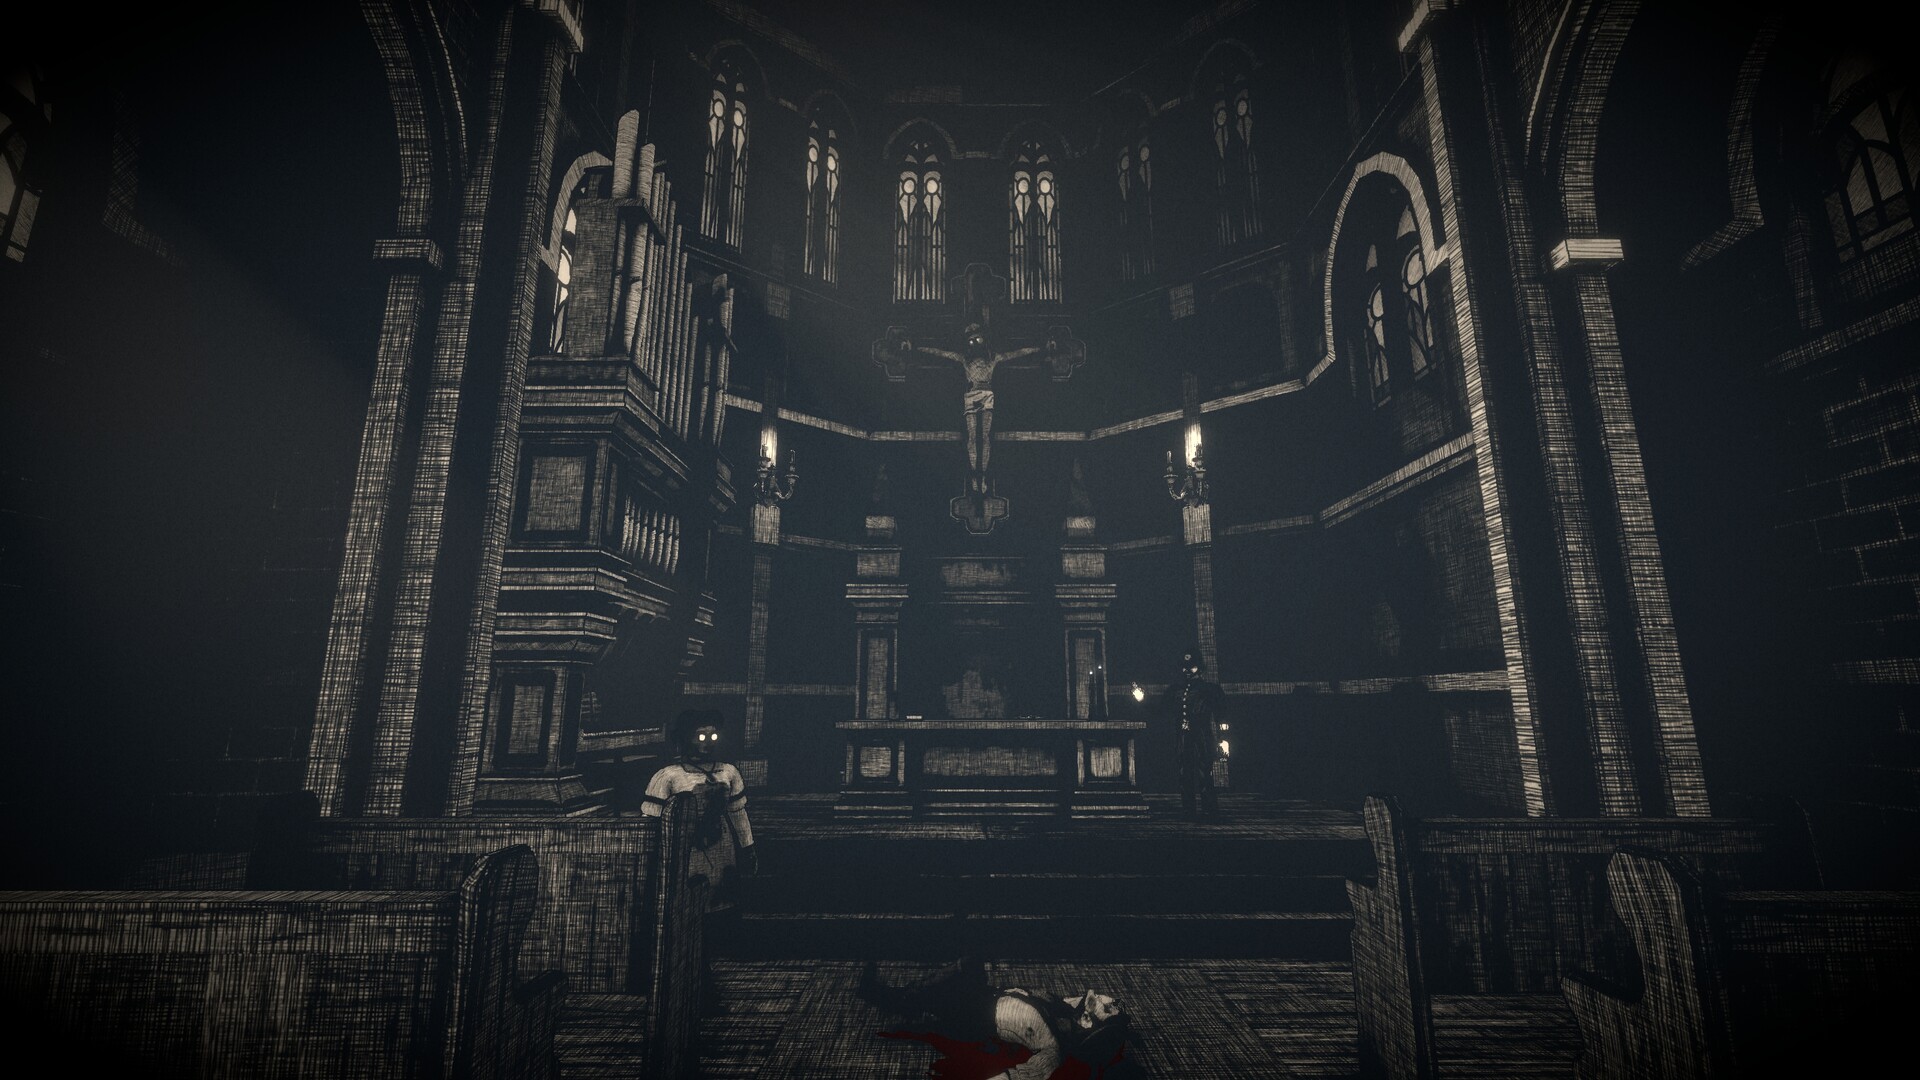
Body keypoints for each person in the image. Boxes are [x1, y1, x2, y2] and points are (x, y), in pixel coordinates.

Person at [860, 958, 1140, 1080]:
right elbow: (1078, 1002)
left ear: (1088, 1021)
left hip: (973, 1019)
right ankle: (902, 1002)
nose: (1111, 1001)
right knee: (968, 965)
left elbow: (1026, 1075)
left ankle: (898, 1001)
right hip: (982, 998)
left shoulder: (1052, 1046)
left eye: (1109, 1008)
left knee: (968, 966)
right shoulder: (1064, 1009)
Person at [642, 709, 757, 901]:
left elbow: (738, 813)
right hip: (686, 848)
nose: (708, 742)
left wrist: (748, 847)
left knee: (721, 895)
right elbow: (651, 821)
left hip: (722, 845)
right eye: (701, 736)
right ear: (686, 738)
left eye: (713, 736)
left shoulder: (728, 772)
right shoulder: (668, 776)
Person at [1160, 650, 1226, 816]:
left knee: (1204, 772)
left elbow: (1222, 714)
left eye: (1192, 667)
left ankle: (1209, 810)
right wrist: (1141, 699)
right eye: (1184, 667)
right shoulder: (1175, 689)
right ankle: (1188, 809)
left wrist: (1223, 738)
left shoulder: (1210, 689)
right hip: (1183, 736)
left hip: (1202, 734)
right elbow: (1161, 709)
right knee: (1184, 773)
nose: (1187, 670)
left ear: (1200, 668)